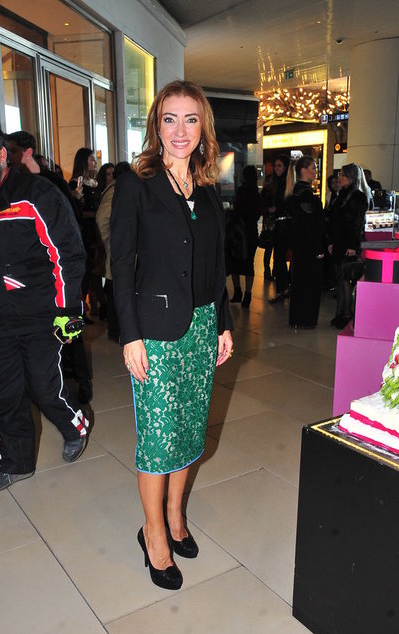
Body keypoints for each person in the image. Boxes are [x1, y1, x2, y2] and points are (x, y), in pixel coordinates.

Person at [111, 80, 233, 590]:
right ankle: (154, 532)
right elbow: (121, 264)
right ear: (156, 125)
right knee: (158, 440)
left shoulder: (207, 188)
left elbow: (217, 262)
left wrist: (223, 322)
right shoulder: (136, 184)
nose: (180, 130)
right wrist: (130, 335)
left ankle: (176, 515)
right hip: (155, 333)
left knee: (188, 431)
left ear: (203, 126)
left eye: (190, 119)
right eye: (169, 119)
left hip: (202, 327)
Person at [0, 122, 89, 493]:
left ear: (1, 155)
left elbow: (66, 254)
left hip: (40, 313)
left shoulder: (36, 193)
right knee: (4, 395)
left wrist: (67, 311)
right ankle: (16, 463)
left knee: (43, 385)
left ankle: (74, 425)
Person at [7, 130, 93, 404]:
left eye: (12, 151)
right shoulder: (13, 185)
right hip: (32, 279)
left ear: (27, 152)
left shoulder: (50, 183)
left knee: (70, 333)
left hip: (59, 272)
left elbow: (70, 231)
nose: (7, 157)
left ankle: (82, 385)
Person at [328, 162, 371, 329]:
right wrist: (331, 241)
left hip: (348, 242)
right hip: (339, 242)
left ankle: (346, 314)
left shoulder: (358, 197)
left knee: (345, 278)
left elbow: (357, 223)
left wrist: (352, 245)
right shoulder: (342, 195)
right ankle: (342, 313)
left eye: (342, 175)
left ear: (351, 178)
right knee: (340, 278)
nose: (339, 178)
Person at [285, 156, 325, 329]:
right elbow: (311, 225)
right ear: (303, 170)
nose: (315, 171)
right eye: (313, 168)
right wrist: (318, 248)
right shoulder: (306, 194)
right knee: (310, 284)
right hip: (309, 247)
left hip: (300, 246)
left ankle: (297, 318)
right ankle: (306, 319)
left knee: (300, 282)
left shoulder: (296, 192)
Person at [96, 161, 131, 342]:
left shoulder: (115, 189)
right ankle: (116, 332)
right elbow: (102, 219)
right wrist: (107, 243)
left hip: (117, 248)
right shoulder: (116, 190)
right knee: (116, 291)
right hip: (117, 249)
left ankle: (117, 331)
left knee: (115, 290)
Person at [69, 148, 104, 320]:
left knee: (96, 270)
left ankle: (98, 304)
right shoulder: (76, 183)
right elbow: (76, 210)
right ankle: (83, 310)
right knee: (86, 271)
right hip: (86, 231)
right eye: (91, 159)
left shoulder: (96, 183)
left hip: (97, 229)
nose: (94, 162)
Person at [229, 165, 264, 307]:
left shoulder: (241, 191)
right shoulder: (256, 193)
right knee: (249, 264)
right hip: (251, 232)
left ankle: (237, 291)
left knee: (234, 263)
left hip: (239, 232)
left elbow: (236, 209)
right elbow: (258, 213)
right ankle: (248, 295)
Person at [268, 154, 292, 303]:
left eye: (279, 166)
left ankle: (281, 289)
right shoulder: (279, 182)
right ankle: (283, 288)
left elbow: (284, 204)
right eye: (275, 166)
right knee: (279, 258)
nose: (277, 168)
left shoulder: (285, 184)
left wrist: (275, 209)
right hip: (281, 224)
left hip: (283, 226)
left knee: (279, 258)